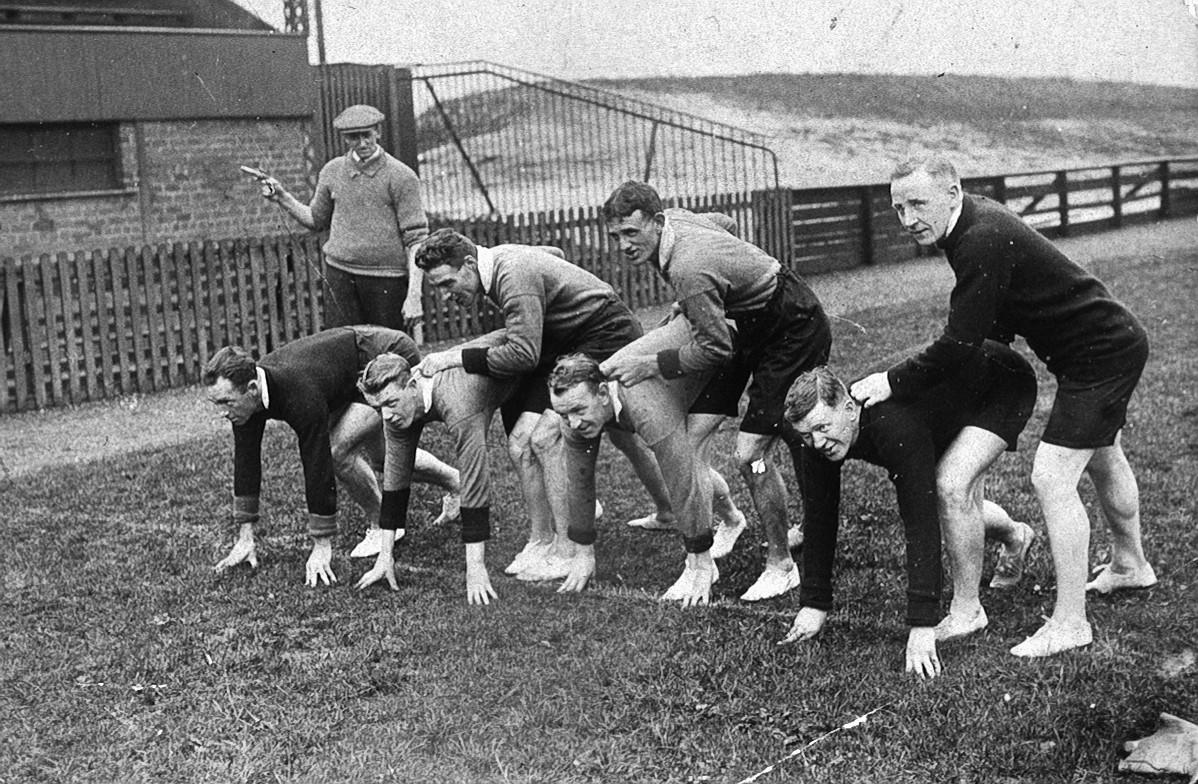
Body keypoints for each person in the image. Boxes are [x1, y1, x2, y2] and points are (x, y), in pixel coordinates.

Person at [851, 156, 1155, 658]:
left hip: (1102, 354)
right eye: (898, 207)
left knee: (1052, 477)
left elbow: (961, 343)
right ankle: (1130, 565)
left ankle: (1071, 622)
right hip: (1101, 347)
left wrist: (892, 381)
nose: (907, 219)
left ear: (953, 192)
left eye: (917, 204)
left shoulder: (978, 238)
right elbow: (994, 321)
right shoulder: (968, 224)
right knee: (1104, 454)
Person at [601, 181, 832, 601]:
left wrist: (650, 363)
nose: (624, 245)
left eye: (632, 233)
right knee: (692, 438)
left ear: (656, 221)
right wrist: (724, 279)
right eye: (615, 236)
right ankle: (732, 520)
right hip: (744, 322)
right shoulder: (679, 224)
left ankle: (782, 565)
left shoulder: (689, 267)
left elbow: (714, 348)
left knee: (752, 454)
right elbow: (723, 222)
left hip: (791, 327)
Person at [411, 229, 675, 582]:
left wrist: (452, 357)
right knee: (522, 441)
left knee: (554, 436)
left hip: (606, 330)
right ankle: (541, 539)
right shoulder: (498, 262)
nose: (445, 296)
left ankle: (567, 550)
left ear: (470, 263)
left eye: (447, 283)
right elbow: (553, 252)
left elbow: (522, 355)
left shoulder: (511, 275)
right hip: (563, 339)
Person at [779, 344, 1037, 678]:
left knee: (950, 489)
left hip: (1000, 384)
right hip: (946, 402)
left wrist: (921, 624)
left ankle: (968, 611)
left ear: (849, 408)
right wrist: (814, 603)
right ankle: (1016, 535)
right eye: (806, 435)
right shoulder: (818, 439)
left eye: (823, 428)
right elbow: (819, 517)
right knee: (953, 503)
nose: (816, 443)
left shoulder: (893, 426)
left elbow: (920, 521)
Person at [202, 326, 459, 587]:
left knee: (337, 451)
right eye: (218, 404)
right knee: (381, 458)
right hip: (342, 376)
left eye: (226, 402)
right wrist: (245, 538)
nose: (222, 412)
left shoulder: (298, 392)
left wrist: (321, 545)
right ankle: (456, 484)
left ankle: (384, 526)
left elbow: (317, 462)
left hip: (382, 357)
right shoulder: (245, 400)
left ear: (253, 388)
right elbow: (246, 460)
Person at [546, 317, 747, 605]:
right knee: (681, 457)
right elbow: (578, 481)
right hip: (677, 363)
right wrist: (583, 553)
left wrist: (699, 561)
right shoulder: (574, 413)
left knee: (688, 456)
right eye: (564, 414)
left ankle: (705, 560)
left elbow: (682, 476)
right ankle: (733, 519)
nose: (573, 423)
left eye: (578, 410)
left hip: (722, 348)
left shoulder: (642, 403)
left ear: (603, 393)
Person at [354, 333, 517, 605]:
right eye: (378, 407)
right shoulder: (397, 409)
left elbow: (474, 482)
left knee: (529, 444)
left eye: (391, 403)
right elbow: (395, 479)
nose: (386, 415)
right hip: (491, 382)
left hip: (527, 371)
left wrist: (475, 568)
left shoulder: (457, 400)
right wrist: (385, 556)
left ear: (413, 385)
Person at [256, 104, 427, 332]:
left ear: (378, 131)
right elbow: (315, 220)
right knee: (343, 348)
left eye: (367, 135)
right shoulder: (332, 171)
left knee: (388, 354)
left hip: (386, 281)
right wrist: (282, 196)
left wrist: (414, 295)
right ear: (345, 138)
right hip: (340, 277)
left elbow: (417, 241)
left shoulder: (402, 177)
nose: (362, 143)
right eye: (353, 137)